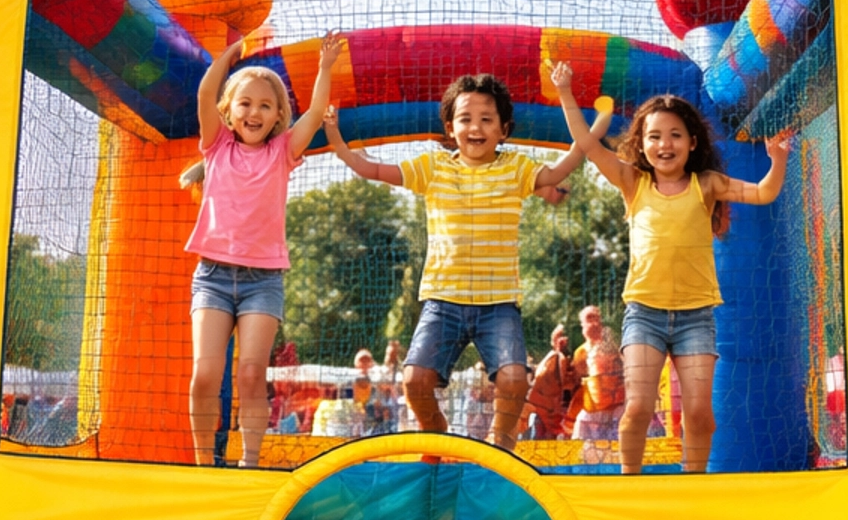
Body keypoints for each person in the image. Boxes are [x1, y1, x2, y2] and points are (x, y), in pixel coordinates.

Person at [325, 72, 605, 451]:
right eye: (466, 119)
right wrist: (338, 143)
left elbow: (562, 168)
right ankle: (435, 430)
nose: (476, 127)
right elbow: (373, 169)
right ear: (450, 127)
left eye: (487, 119)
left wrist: (570, 101)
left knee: (513, 379)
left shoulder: (517, 169)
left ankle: (501, 441)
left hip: (498, 303)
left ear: (504, 129)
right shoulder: (433, 168)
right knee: (414, 380)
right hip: (444, 301)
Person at [553, 66, 793, 475]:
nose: (665, 143)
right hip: (644, 314)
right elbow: (587, 144)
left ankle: (693, 483)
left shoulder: (708, 184)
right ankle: (631, 481)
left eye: (675, 135)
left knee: (699, 413)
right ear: (642, 144)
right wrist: (565, 92)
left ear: (692, 142)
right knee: (639, 408)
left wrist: (778, 160)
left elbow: (764, 192)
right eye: (654, 136)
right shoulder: (633, 182)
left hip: (695, 316)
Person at [185, 31, 344, 467]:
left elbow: (314, 114)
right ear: (229, 112)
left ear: (277, 117)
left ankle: (248, 462)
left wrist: (326, 67)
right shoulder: (215, 146)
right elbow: (204, 91)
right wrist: (228, 56)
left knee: (252, 373)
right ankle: (203, 465)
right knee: (205, 373)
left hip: (262, 282)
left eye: (265, 105)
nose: (254, 112)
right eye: (245, 103)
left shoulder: (281, 152)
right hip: (213, 276)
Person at [566, 305, 625, 455]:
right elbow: (577, 385)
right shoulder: (580, 353)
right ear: (582, 325)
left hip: (616, 407)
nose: (593, 324)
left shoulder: (614, 348)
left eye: (596, 319)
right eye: (589, 319)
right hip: (591, 408)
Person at [522, 325, 576, 440]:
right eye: (559, 337)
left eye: (564, 337)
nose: (563, 340)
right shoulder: (551, 359)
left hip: (549, 414)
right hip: (539, 411)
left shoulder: (562, 361)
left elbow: (566, 386)